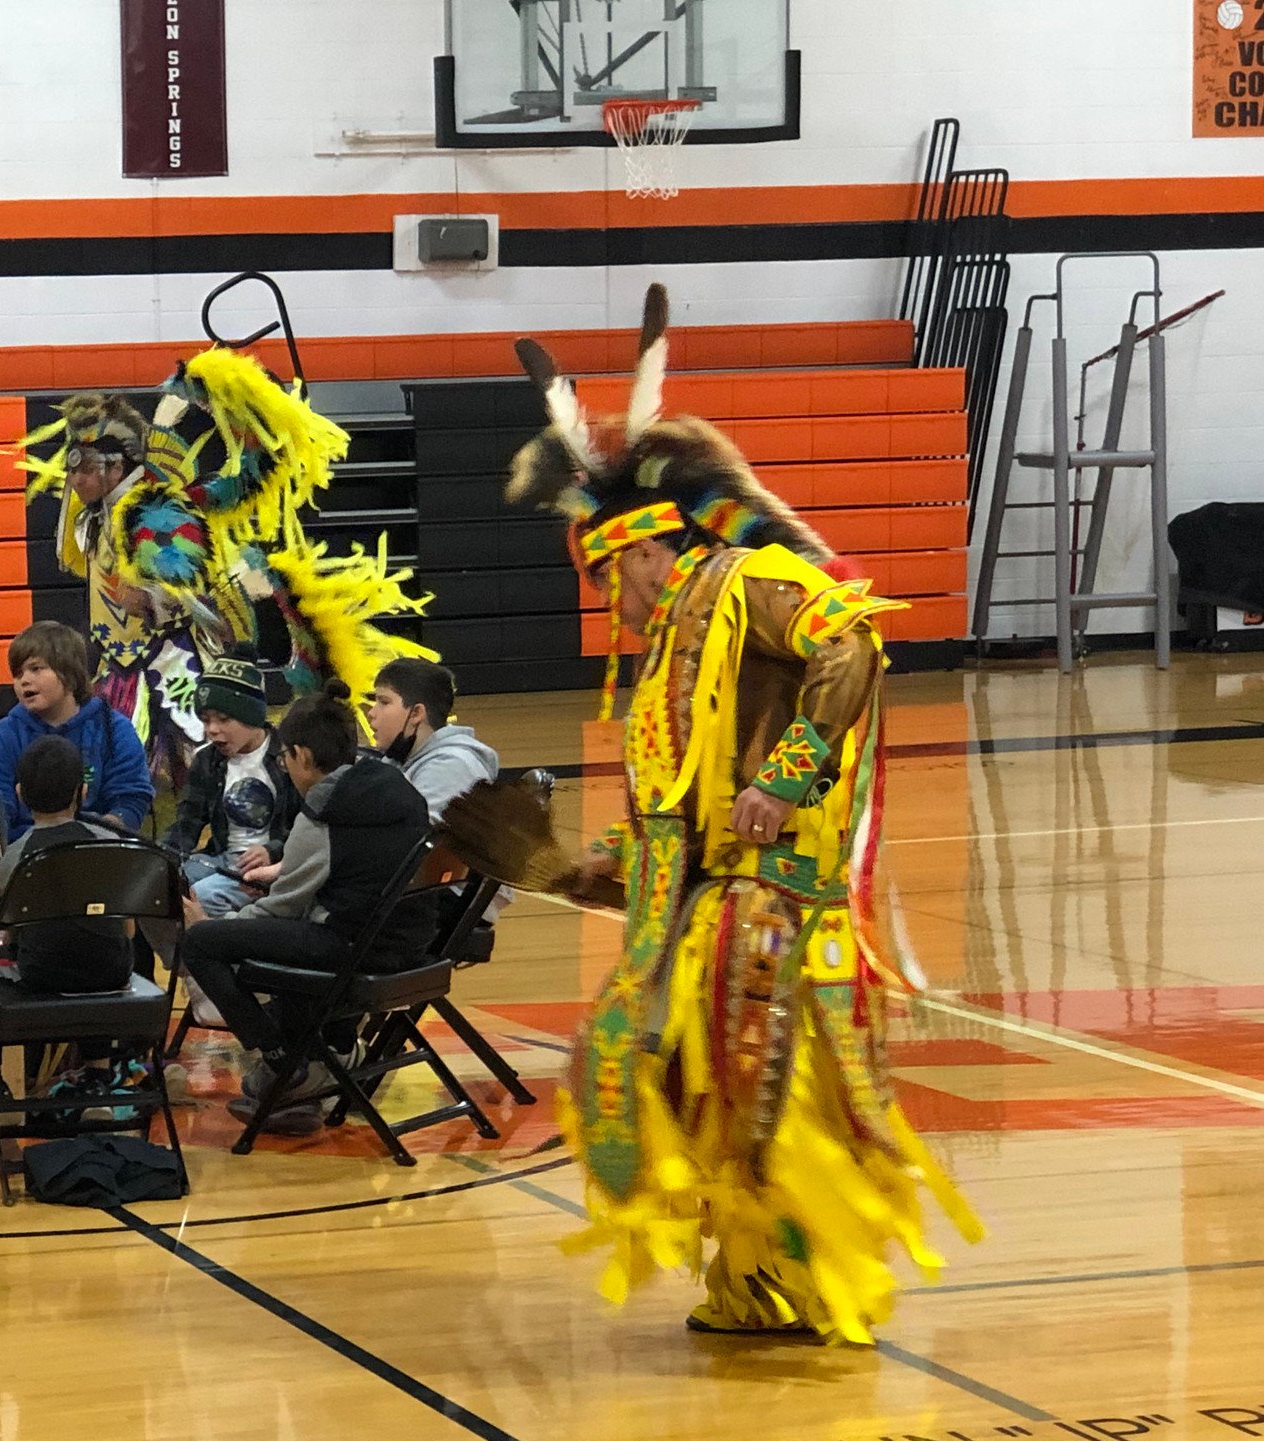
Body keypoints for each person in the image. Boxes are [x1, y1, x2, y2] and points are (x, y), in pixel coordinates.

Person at [446, 282, 980, 1343]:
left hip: (771, 913)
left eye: (609, 578)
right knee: (694, 1100)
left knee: (767, 1114)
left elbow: (852, 644)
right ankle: (756, 1296)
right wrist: (565, 870)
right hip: (715, 915)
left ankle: (798, 1294)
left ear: (642, 548)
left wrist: (780, 783)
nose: (612, 603)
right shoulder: (673, 649)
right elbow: (673, 836)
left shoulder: (744, 582)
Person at [22, 348, 433, 804]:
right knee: (129, 774)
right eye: (72, 464)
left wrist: (154, 598)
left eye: (82, 464)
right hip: (119, 666)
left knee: (204, 770)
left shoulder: (152, 507)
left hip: (168, 665)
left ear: (115, 465)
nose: (72, 476)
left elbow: (184, 577)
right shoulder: (99, 513)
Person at [176, 684, 432, 1136]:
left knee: (202, 943)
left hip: (351, 948)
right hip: (407, 944)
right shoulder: (397, 786)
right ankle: (327, 1053)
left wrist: (219, 926)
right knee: (288, 946)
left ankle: (282, 1064)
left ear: (302, 755)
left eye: (286, 758)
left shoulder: (324, 810)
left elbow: (282, 911)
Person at [0, 622, 153, 913]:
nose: (24, 680)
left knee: (141, 885)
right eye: (18, 673)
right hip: (21, 853)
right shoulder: (5, 736)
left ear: (70, 673)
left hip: (96, 851)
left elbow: (130, 802)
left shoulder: (115, 730)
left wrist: (87, 853)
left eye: (36, 669)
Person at [0, 737, 133, 996]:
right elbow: (128, 929)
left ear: (19, 793)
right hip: (114, 972)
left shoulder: (15, 856)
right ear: (82, 791)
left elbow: (12, 934)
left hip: (42, 977)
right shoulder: (109, 842)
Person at [163, 656, 295, 916]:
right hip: (221, 858)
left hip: (276, 864)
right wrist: (159, 860)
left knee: (200, 897)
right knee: (160, 890)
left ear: (250, 716)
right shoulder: (206, 760)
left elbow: (308, 827)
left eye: (223, 719)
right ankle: (181, 956)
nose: (211, 730)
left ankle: (215, 948)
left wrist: (274, 850)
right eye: (205, 719)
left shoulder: (289, 756)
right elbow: (187, 822)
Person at [366, 658, 498, 825]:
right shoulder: (397, 761)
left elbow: (417, 841)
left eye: (384, 702)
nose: (371, 713)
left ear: (416, 713)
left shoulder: (451, 767)